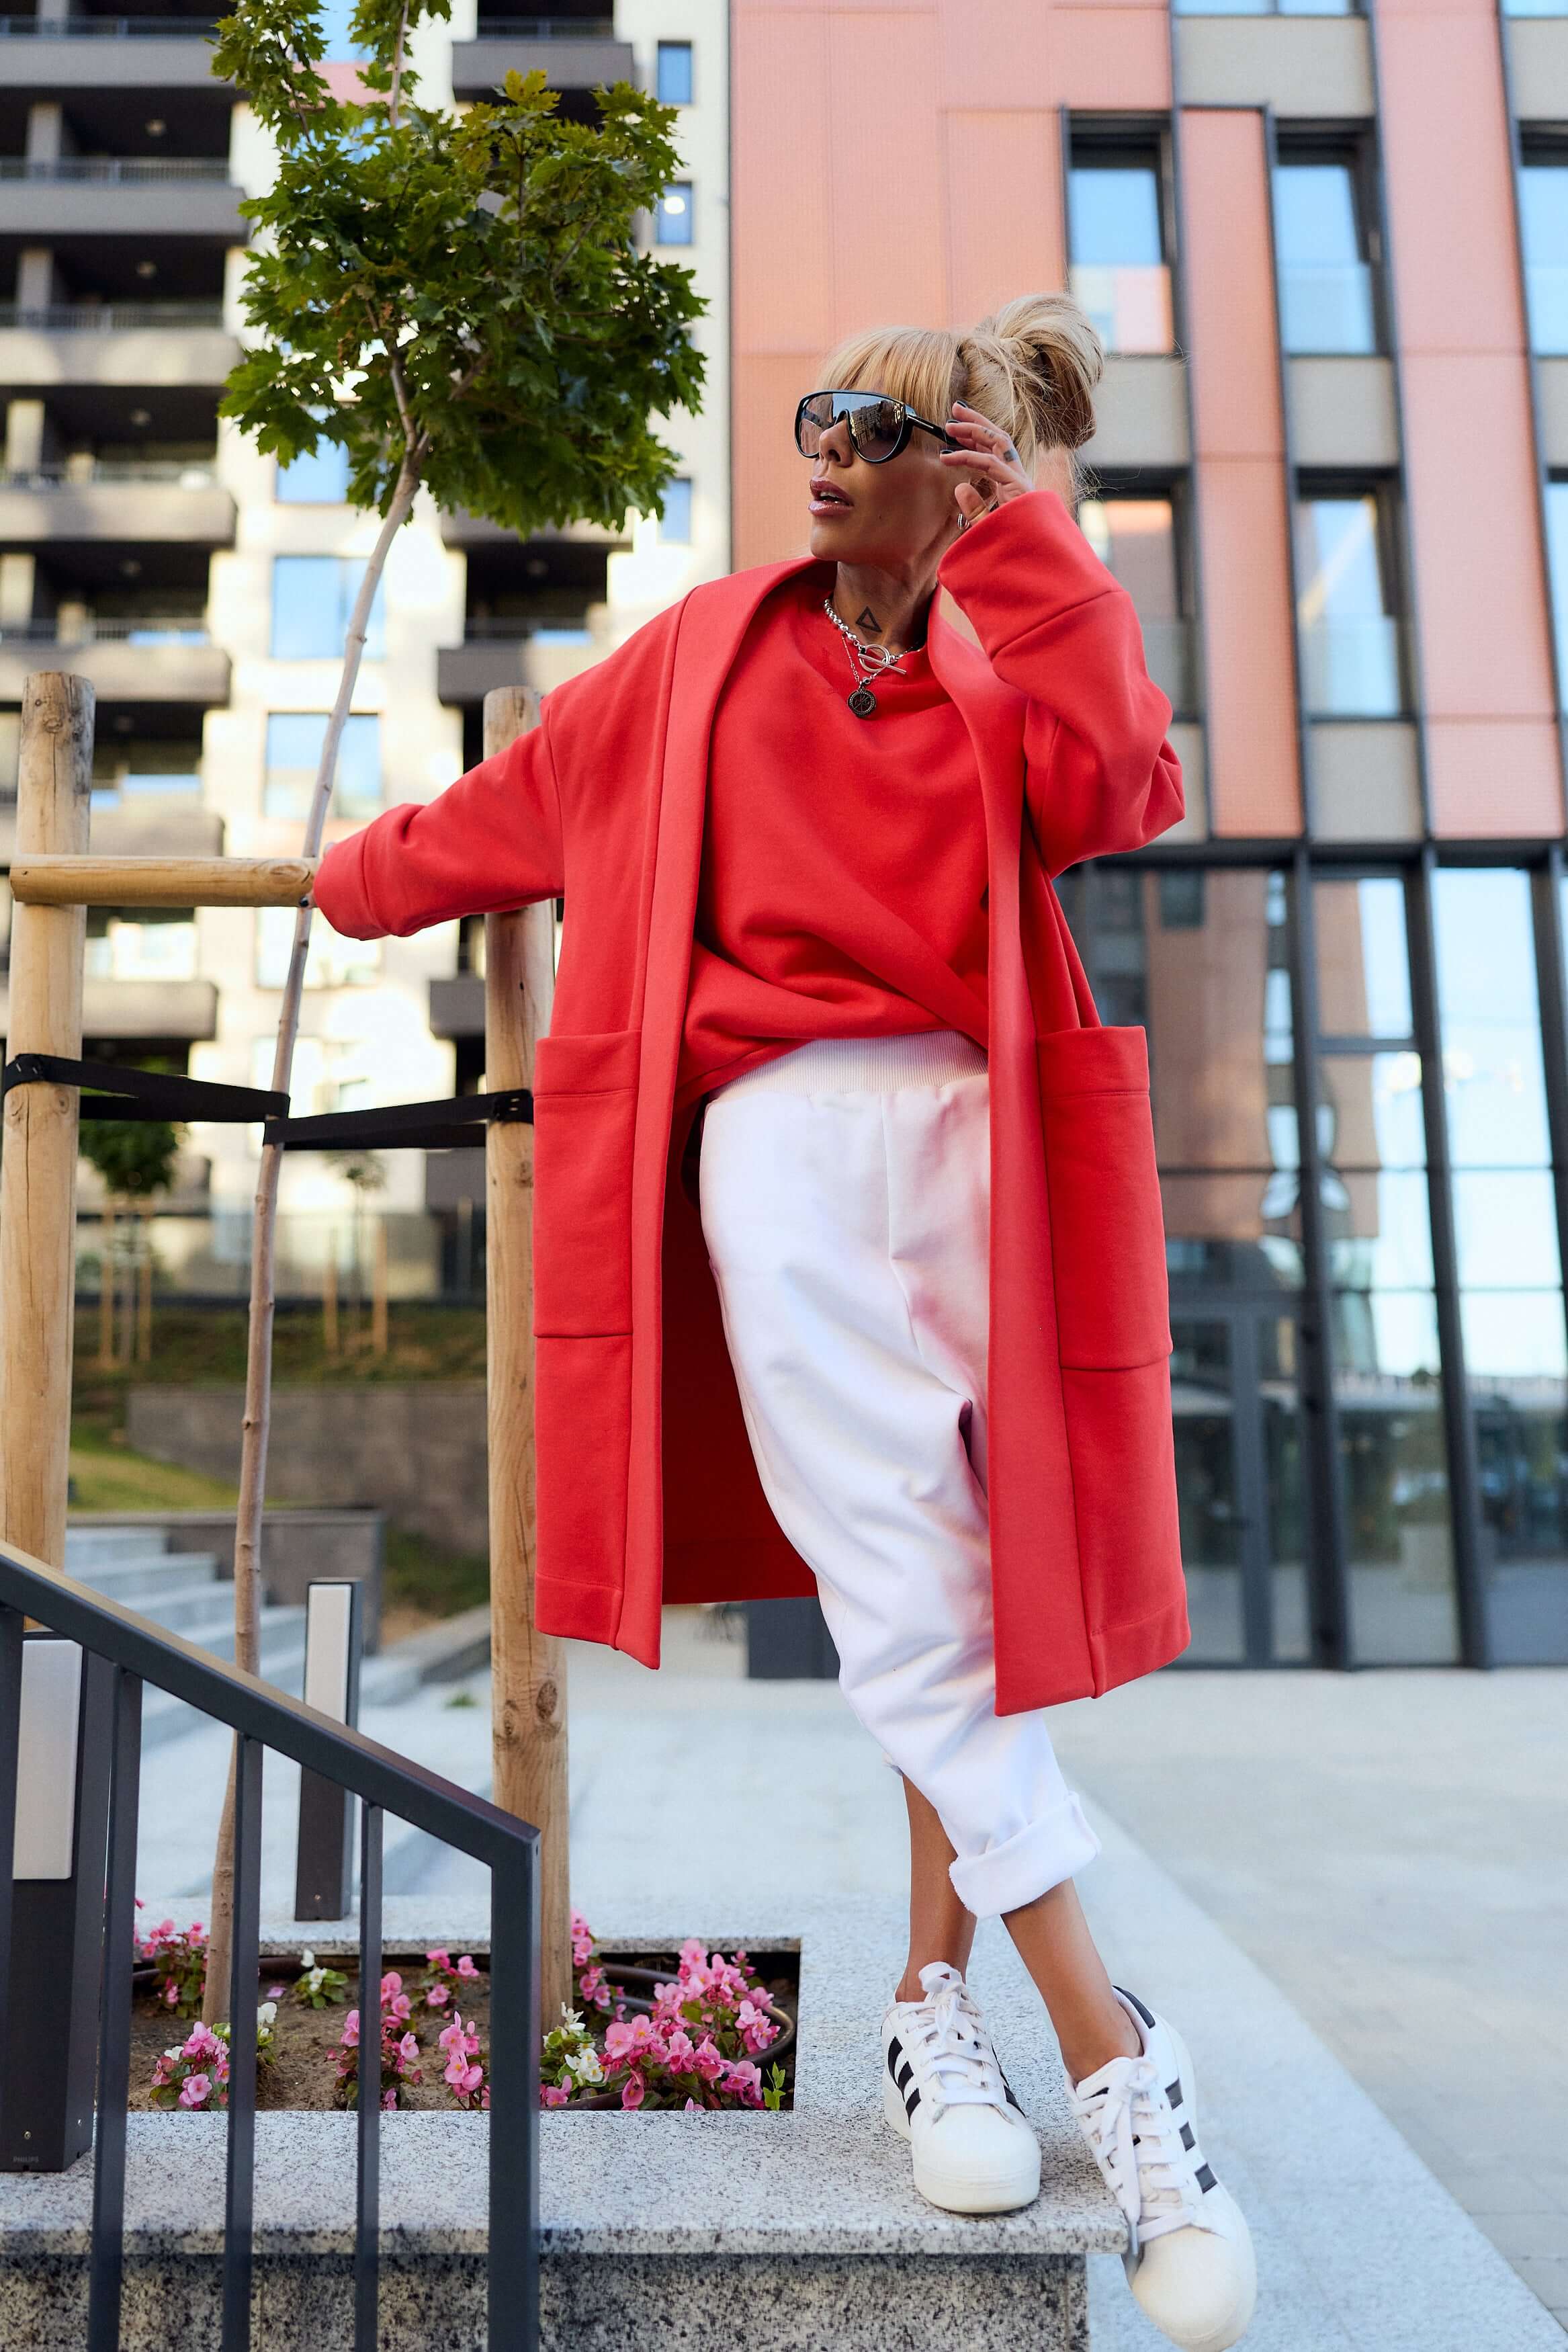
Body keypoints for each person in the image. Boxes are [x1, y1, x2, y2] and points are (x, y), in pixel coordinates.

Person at [312, 292, 1256, 2351]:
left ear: (959, 473)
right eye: (819, 413)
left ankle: (932, 2014)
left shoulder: (1005, 661)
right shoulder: (702, 656)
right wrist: (340, 880)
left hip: (989, 1149)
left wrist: (1028, 550)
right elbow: (510, 807)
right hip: (787, 1153)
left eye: (879, 428)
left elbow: (1124, 784)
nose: (825, 448)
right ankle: (1125, 2068)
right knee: (908, 1596)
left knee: (972, 1585)